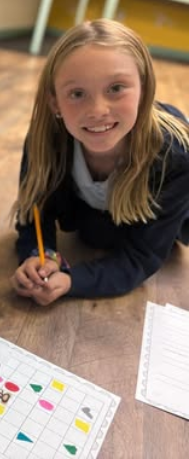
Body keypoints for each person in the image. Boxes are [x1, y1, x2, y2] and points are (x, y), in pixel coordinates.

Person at [10, 18, 189, 305]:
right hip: (97, 218)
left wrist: (72, 280)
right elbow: (34, 213)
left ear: (144, 89)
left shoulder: (177, 157)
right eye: (77, 94)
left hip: (174, 217)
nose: (97, 110)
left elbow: (142, 256)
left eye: (116, 88)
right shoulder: (44, 140)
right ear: (55, 103)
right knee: (96, 234)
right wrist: (39, 256)